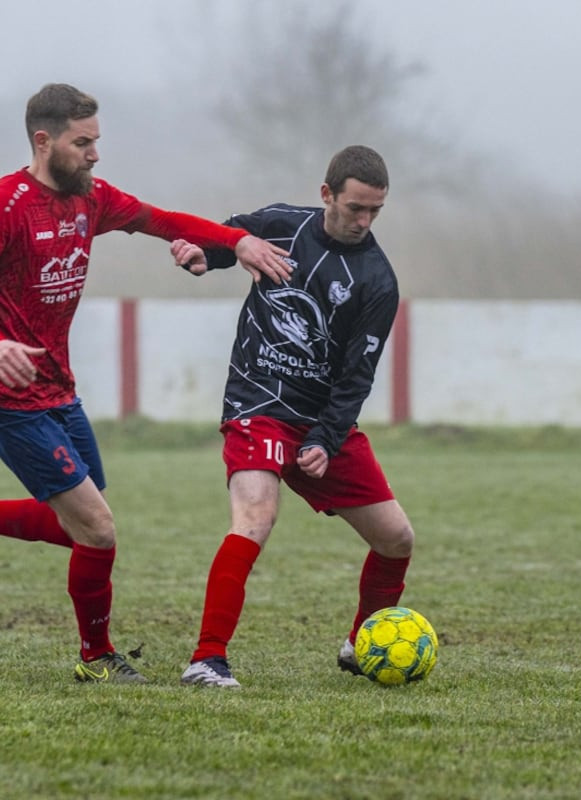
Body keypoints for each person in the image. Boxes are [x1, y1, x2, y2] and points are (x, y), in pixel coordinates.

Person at [0, 82, 293, 684]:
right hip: (6, 400)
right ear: (44, 141)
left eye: (97, 141)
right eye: (82, 143)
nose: (95, 155)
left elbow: (163, 220)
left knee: (80, 525)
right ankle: (95, 658)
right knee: (96, 527)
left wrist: (237, 240)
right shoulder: (4, 205)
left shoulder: (91, 198)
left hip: (60, 391)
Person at [171, 145, 415, 688]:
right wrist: (204, 255)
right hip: (257, 403)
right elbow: (231, 237)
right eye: (355, 207)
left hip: (322, 422)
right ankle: (207, 659)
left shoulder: (377, 281)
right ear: (326, 194)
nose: (364, 221)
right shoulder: (282, 226)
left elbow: (357, 376)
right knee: (256, 516)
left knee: (397, 538)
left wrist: (327, 440)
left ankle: (361, 645)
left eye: (375, 211)